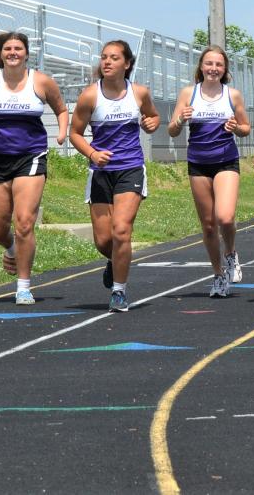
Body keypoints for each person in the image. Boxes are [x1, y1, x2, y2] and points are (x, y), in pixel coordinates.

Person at [0, 32, 68, 305]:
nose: (13, 52)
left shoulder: (41, 81)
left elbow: (61, 109)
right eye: (8, 48)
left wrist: (62, 133)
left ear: (26, 53)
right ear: (1, 54)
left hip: (30, 157)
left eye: (18, 48)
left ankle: (23, 286)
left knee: (24, 222)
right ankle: (11, 248)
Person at [69, 40, 160, 312]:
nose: (107, 62)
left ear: (127, 64)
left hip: (130, 168)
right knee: (104, 240)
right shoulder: (90, 96)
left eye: (114, 58)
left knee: (122, 230)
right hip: (100, 172)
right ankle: (115, 260)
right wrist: (92, 154)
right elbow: (75, 133)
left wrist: (152, 122)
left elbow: (152, 118)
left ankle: (119, 291)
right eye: (104, 57)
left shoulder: (139, 93)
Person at [168, 46, 251, 298]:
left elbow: (246, 127)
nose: (213, 68)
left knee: (225, 217)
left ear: (225, 69)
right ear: (201, 67)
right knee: (207, 225)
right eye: (209, 63)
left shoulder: (232, 95)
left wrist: (236, 128)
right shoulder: (188, 93)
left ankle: (231, 254)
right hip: (198, 163)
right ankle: (218, 275)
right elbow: (172, 131)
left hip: (226, 161)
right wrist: (181, 119)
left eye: (219, 64)